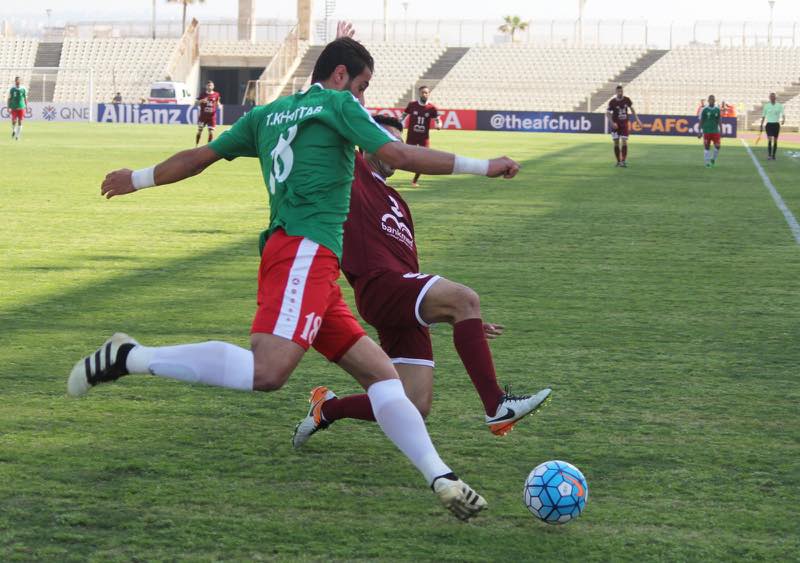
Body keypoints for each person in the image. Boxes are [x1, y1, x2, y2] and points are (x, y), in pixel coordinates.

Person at [67, 37, 520, 521]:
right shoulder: (337, 103)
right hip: (305, 250)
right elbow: (400, 155)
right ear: (342, 75)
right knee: (268, 372)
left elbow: (201, 159)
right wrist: (485, 166)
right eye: (363, 86)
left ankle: (443, 479)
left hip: (307, 262)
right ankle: (130, 357)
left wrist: (136, 178)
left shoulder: (267, 115)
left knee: (383, 377)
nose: (364, 100)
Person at [292, 114, 551, 449]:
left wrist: (461, 317)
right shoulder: (349, 172)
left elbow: (413, 270)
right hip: (378, 285)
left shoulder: (398, 201)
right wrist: (459, 305)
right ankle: (497, 405)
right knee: (464, 297)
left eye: (400, 142)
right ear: (365, 143)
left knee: (413, 404)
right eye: (387, 139)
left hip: (400, 291)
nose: (396, 148)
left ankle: (327, 408)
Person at [401, 85, 442, 186]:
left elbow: (438, 120)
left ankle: (414, 181)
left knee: (423, 160)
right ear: (419, 93)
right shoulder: (412, 105)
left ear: (428, 94)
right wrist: (398, 123)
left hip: (424, 138)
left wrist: (438, 125)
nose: (424, 94)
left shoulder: (432, 108)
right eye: (422, 92)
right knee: (403, 157)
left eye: (426, 92)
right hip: (411, 137)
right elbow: (403, 116)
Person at [606, 85, 642, 168]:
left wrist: (637, 120)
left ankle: (623, 161)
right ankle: (618, 161)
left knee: (624, 141)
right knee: (616, 142)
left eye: (621, 91)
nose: (620, 93)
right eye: (618, 91)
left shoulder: (627, 100)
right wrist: (612, 123)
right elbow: (607, 113)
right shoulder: (612, 102)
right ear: (616, 92)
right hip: (616, 125)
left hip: (624, 124)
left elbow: (632, 109)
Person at [697, 94, 722, 167]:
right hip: (706, 131)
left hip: (715, 131)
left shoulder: (717, 109)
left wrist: (721, 131)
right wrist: (699, 131)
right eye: (710, 99)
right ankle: (707, 163)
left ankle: (713, 159)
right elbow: (701, 121)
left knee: (718, 146)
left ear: (714, 101)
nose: (712, 101)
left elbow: (719, 120)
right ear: (708, 101)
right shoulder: (704, 109)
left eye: (713, 100)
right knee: (707, 147)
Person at [760, 93, 786, 161]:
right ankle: (769, 155)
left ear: (775, 98)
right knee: (769, 139)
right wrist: (761, 124)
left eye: (773, 97)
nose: (772, 98)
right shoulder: (766, 106)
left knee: (775, 140)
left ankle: (773, 155)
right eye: (771, 97)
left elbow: (783, 114)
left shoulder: (779, 106)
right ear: (769, 98)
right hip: (769, 125)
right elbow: (763, 116)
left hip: (776, 125)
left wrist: (783, 120)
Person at [195, 80, 222, 146]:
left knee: (211, 132)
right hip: (203, 116)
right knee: (199, 131)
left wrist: (219, 105)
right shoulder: (202, 94)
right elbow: (196, 103)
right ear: (206, 86)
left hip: (211, 117)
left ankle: (208, 147)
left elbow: (218, 102)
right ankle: (196, 145)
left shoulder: (216, 94)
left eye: (211, 85)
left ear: (213, 86)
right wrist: (201, 101)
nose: (209, 87)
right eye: (208, 85)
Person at [7, 76, 27, 141]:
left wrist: (26, 107)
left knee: (20, 121)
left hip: (21, 107)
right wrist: (8, 107)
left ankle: (17, 136)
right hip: (14, 108)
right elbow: (9, 99)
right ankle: (14, 130)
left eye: (18, 80)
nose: (17, 82)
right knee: (14, 121)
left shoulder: (23, 89)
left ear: (20, 81)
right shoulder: (12, 89)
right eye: (16, 80)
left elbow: (25, 98)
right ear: (15, 81)